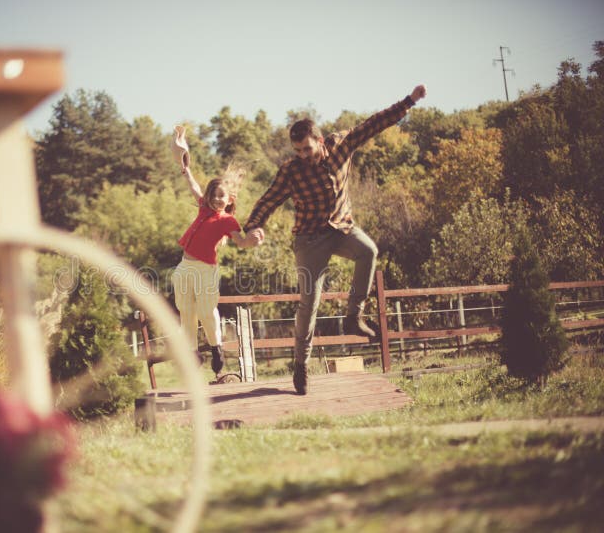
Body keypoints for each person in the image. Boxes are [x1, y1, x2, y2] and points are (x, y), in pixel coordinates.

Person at [243, 85, 427, 394]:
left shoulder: (342, 145)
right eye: (298, 151)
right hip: (309, 238)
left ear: (319, 140)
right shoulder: (291, 171)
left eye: (307, 150)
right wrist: (253, 226)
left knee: (368, 250)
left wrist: (409, 102)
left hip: (341, 228)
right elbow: (268, 200)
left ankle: (353, 316)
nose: (303, 156)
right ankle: (300, 365)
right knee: (309, 302)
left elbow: (374, 124)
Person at [171, 126, 263, 377]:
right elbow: (191, 184)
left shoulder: (228, 221)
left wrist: (252, 240)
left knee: (205, 311)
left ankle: (216, 347)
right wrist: (183, 160)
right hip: (185, 266)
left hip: (206, 270)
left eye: (222, 197)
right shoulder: (203, 208)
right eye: (214, 195)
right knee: (186, 312)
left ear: (230, 199)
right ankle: (192, 352)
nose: (217, 199)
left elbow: (242, 243)